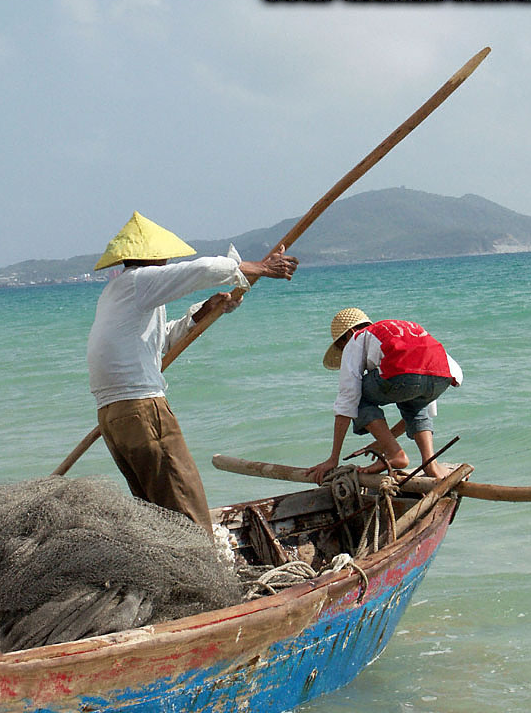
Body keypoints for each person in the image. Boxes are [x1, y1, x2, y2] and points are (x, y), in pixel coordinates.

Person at [88, 211, 298, 536]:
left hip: (113, 417)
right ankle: (205, 580)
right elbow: (201, 269)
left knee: (158, 517)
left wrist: (204, 311)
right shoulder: (139, 282)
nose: (168, 261)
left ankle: (172, 580)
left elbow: (161, 341)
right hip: (141, 410)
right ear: (152, 258)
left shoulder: (118, 292)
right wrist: (258, 268)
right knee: (187, 511)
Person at [307, 308, 462, 485]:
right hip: (442, 376)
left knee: (357, 394)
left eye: (342, 348)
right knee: (415, 405)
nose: (345, 352)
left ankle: (395, 454)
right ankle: (431, 464)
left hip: (404, 375)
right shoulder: (401, 330)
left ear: (349, 334)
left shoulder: (357, 338)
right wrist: (384, 441)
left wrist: (333, 459)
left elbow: (347, 399)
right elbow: (422, 408)